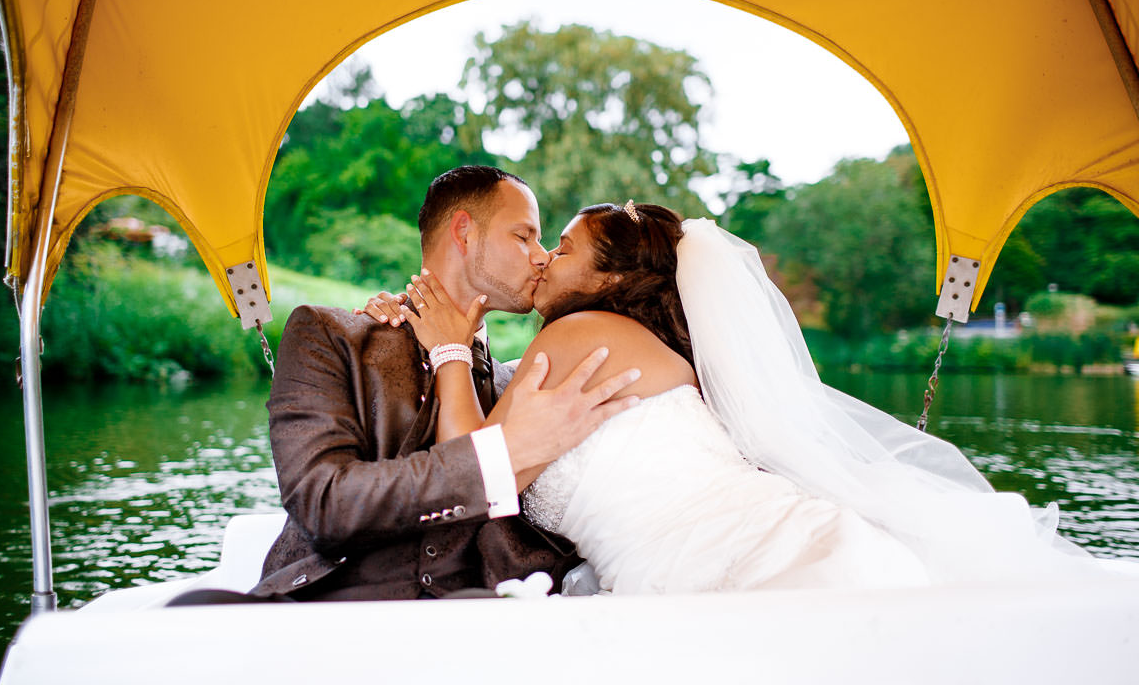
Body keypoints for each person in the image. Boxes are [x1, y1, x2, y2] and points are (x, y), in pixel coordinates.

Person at [368, 200, 1135, 594]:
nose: (543, 261)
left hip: (751, 575)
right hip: (764, 560)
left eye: (561, 247)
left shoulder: (579, 337)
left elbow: (463, 471)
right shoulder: (628, 348)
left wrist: (440, 345)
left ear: (606, 281)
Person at [248, 167, 641, 601]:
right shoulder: (331, 334)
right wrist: (496, 458)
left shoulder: (524, 382)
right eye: (523, 236)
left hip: (487, 620)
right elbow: (323, 505)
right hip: (330, 609)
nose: (541, 255)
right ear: (464, 232)